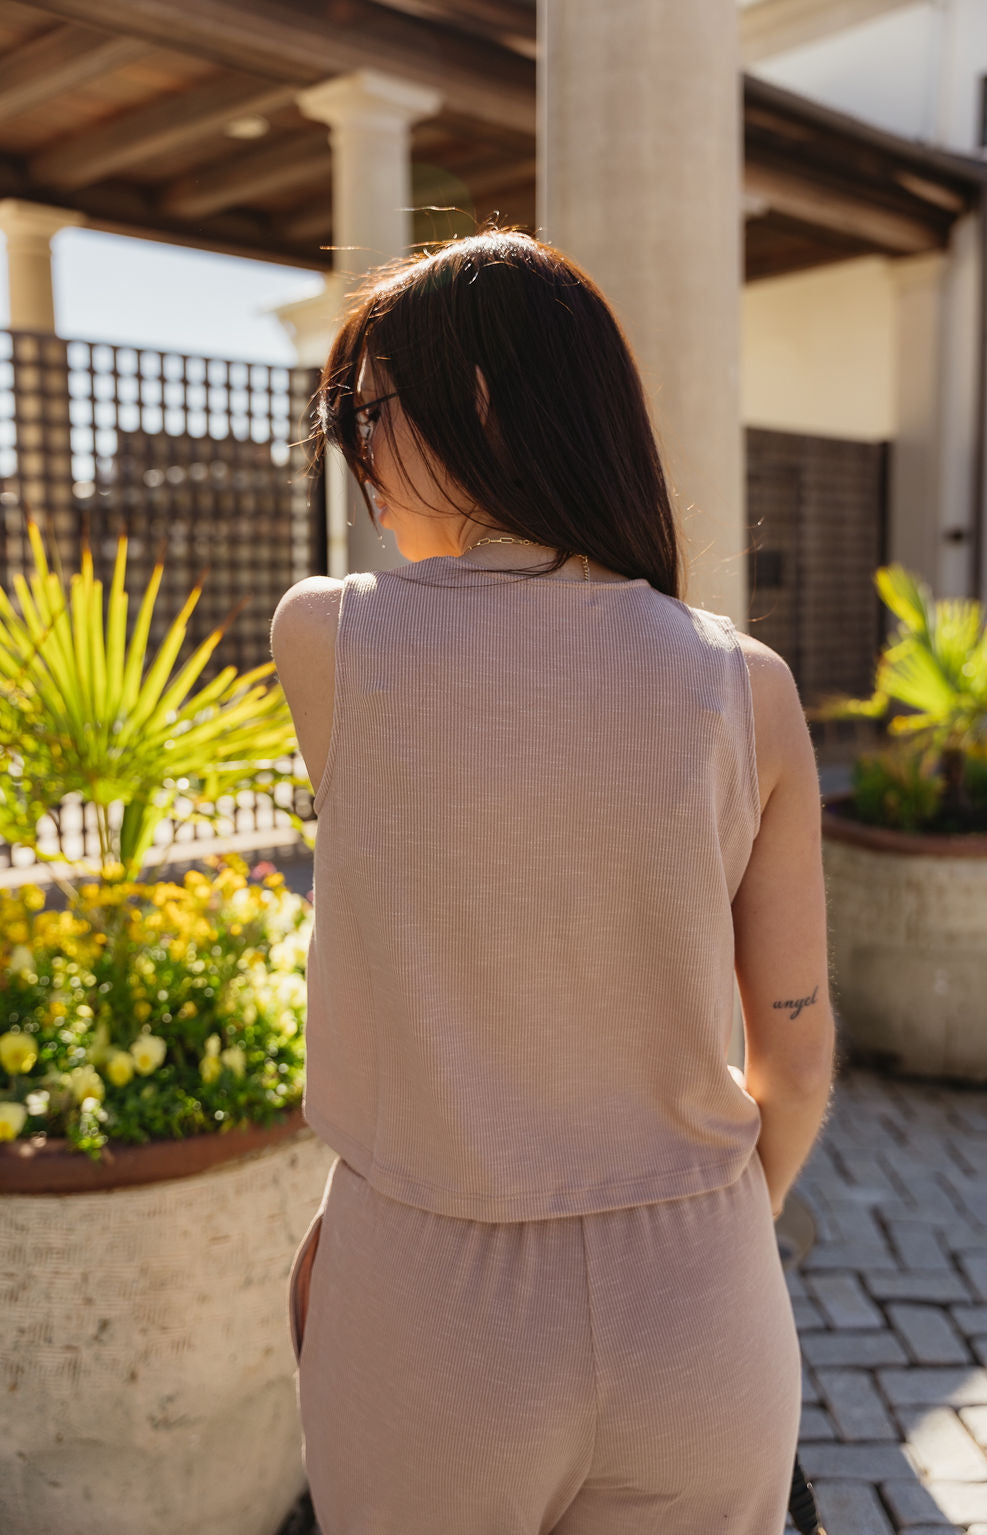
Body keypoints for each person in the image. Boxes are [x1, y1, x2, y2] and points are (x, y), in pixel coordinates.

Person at [270, 227, 835, 1534]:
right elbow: (792, 1063)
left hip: (430, 1298)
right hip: (704, 1294)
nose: (351, 451)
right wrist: (696, 1244)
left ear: (475, 401)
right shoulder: (744, 684)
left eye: (365, 408)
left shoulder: (331, 639)